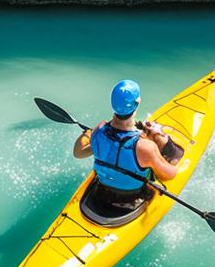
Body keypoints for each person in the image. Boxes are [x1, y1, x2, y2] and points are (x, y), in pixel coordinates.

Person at [73, 79, 180, 210]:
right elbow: (170, 175)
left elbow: (78, 153)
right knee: (168, 152)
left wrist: (88, 133)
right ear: (137, 103)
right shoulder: (145, 147)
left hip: (102, 193)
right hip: (132, 198)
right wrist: (160, 141)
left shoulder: (97, 132)